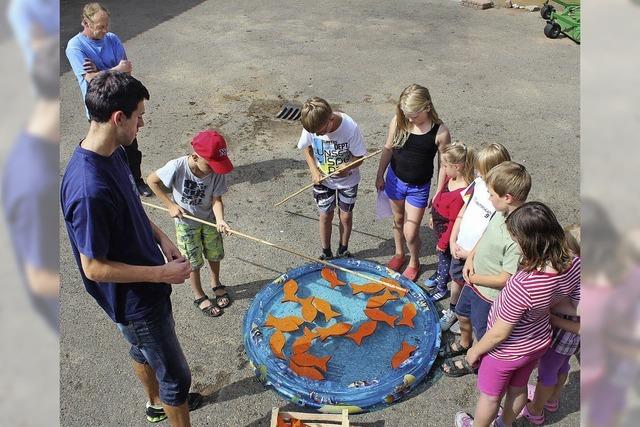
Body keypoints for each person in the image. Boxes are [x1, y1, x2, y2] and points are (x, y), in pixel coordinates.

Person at [60, 71, 201, 425]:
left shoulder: (114, 151)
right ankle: (166, 399)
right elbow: (93, 267)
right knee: (177, 377)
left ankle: (156, 403)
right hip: (135, 299)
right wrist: (161, 274)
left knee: (142, 348)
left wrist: (162, 238)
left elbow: (132, 208)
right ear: (117, 117)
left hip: (147, 284)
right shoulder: (88, 189)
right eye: (139, 116)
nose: (143, 123)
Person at [455, 202, 581, 427]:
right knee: (518, 388)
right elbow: (564, 301)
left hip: (505, 351)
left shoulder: (523, 285)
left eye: (515, 238)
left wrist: (475, 350)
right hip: (538, 341)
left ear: (528, 242)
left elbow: (500, 333)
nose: (514, 242)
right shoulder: (573, 262)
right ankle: (506, 423)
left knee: (491, 397)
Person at [441, 161, 530, 377]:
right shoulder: (499, 214)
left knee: (482, 331)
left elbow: (505, 279)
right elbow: (484, 236)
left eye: (491, 195)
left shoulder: (516, 237)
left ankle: (475, 359)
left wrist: (476, 278)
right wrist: (471, 257)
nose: (488, 199)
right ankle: (464, 342)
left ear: (507, 198)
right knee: (462, 314)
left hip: (488, 294)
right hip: (474, 281)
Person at [64, 2, 152, 196]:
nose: (105, 30)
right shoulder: (75, 46)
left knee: (131, 148)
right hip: (102, 107)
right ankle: (115, 186)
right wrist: (115, 69)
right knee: (107, 150)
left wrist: (101, 71)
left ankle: (136, 181)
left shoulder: (112, 39)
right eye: (100, 27)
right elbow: (91, 79)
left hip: (124, 104)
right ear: (85, 23)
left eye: (106, 25)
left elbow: (126, 69)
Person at [147, 130, 233, 318]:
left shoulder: (216, 171)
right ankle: (198, 294)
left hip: (209, 220)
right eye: (210, 165)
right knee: (192, 261)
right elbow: (151, 180)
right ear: (195, 156)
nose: (214, 170)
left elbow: (216, 199)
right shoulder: (177, 167)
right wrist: (170, 205)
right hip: (186, 223)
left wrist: (220, 219)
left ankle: (215, 283)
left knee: (214, 253)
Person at [375, 84, 451, 282]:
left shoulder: (440, 132)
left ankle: (414, 261)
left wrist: (439, 190)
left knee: (411, 231)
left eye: (414, 115)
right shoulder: (399, 121)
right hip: (395, 179)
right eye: (406, 114)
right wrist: (380, 174)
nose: (410, 119)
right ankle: (400, 254)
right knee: (398, 220)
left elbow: (443, 165)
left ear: (427, 107)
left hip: (419, 187)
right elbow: (388, 148)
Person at [440, 143, 511, 333]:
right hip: (460, 247)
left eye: (481, 171)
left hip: (476, 257)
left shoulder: (499, 200)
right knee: (456, 281)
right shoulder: (478, 185)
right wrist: (454, 239)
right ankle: (454, 311)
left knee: (472, 287)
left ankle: (467, 321)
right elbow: (464, 211)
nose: (477, 174)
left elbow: (491, 236)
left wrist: (470, 253)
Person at [519, 224, 581, 424]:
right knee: (562, 367)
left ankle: (536, 410)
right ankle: (552, 399)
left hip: (563, 337)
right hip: (571, 342)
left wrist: (553, 318)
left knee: (546, 374)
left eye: (566, 251)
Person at [297, 97, 367, 260]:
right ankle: (326, 251)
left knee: (345, 215)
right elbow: (307, 147)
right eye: (315, 133)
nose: (318, 134)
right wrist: (314, 170)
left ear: (331, 119)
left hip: (348, 181)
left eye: (321, 131)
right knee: (325, 215)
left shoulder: (350, 127)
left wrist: (348, 166)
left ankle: (343, 249)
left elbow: (360, 157)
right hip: (323, 180)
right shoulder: (312, 124)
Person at [423, 143, 475, 300]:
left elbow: (454, 222)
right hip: (440, 228)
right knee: (441, 259)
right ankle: (440, 274)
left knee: (444, 259)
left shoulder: (462, 192)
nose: (443, 169)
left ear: (457, 167)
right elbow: (439, 196)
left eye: (445, 165)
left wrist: (444, 243)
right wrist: (433, 214)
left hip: (448, 234)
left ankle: (441, 287)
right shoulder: (451, 177)